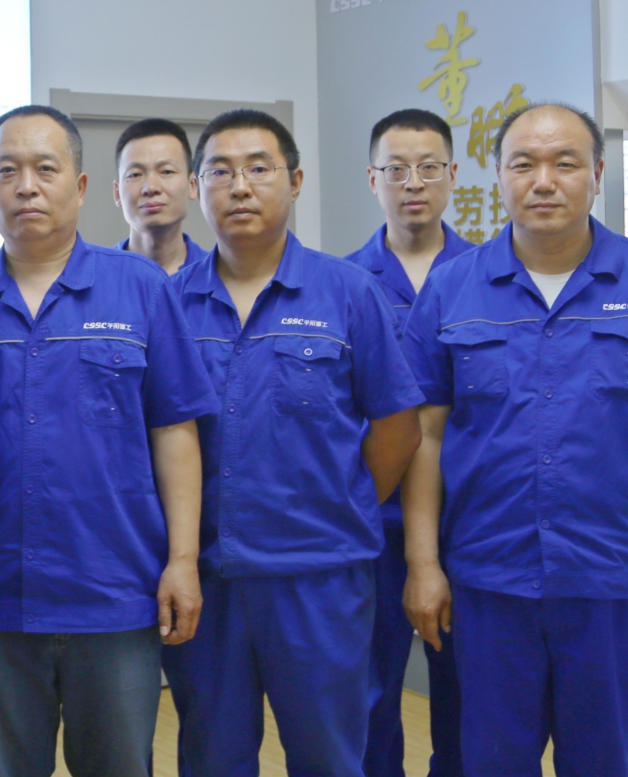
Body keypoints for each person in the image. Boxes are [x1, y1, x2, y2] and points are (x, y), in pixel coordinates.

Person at [401, 104, 628, 777]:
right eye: (523, 164)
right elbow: (425, 436)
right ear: (499, 177)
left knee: (601, 761)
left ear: (597, 174)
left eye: (565, 163)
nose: (543, 181)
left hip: (608, 582)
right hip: (487, 583)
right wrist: (422, 564)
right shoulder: (452, 287)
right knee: (490, 762)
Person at [0, 105, 217, 777]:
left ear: (79, 187)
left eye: (45, 169)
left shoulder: (140, 289)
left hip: (114, 592)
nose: (26, 186)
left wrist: (182, 560)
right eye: (8, 172)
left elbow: (174, 431)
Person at [160, 109, 424, 777]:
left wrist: (345, 500)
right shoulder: (168, 303)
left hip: (320, 578)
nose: (239, 186)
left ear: (295, 181)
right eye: (220, 171)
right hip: (210, 577)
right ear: (195, 187)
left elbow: (398, 425)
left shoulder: (348, 293)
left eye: (259, 168)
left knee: (329, 757)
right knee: (211, 758)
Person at [344, 108, 472, 777]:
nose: (412, 183)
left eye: (427, 168)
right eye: (395, 169)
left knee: (468, 691)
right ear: (372, 179)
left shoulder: (488, 275)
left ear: (453, 175)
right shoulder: (340, 283)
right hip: (373, 523)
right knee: (369, 691)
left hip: (473, 522)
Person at [112, 117, 205, 275]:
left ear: (193, 185)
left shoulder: (218, 274)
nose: (151, 187)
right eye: (135, 174)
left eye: (167, 171)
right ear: (117, 193)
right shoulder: (98, 278)